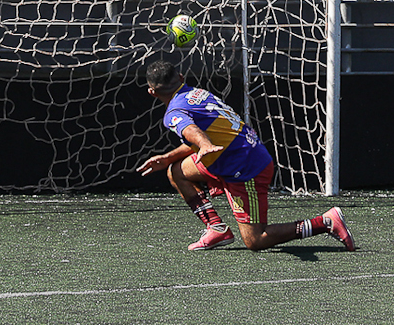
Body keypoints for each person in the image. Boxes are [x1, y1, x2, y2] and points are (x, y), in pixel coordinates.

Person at [137, 60, 355, 253]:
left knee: (255, 240)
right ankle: (216, 228)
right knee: (176, 170)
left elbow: (191, 130)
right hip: (232, 156)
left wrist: (203, 144)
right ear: (181, 78)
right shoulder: (197, 94)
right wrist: (169, 156)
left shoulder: (174, 113)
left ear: (152, 92)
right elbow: (209, 135)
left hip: (245, 169)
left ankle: (325, 222)